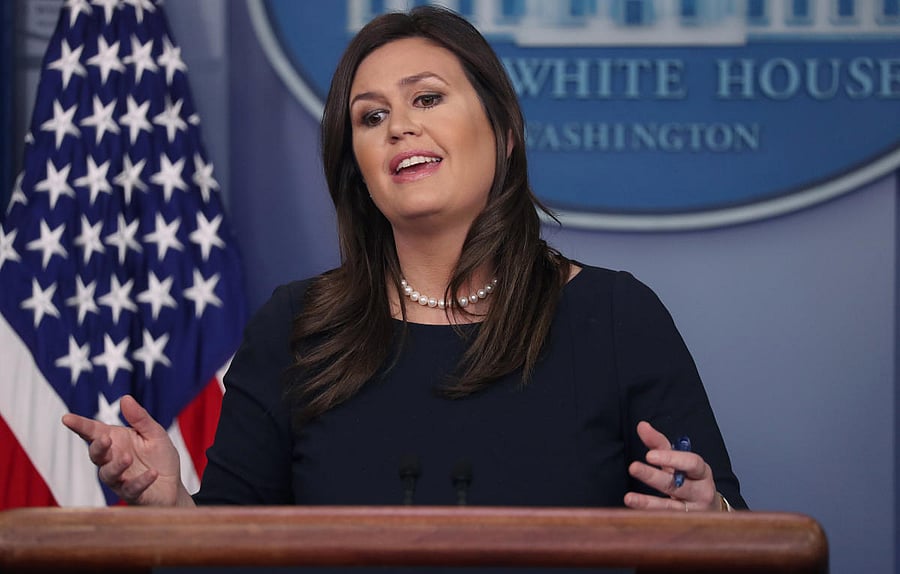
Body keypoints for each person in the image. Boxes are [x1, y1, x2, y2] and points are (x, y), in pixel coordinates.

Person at [63, 6, 746, 513]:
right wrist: (170, 508)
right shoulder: (295, 327)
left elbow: (733, 528)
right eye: (370, 116)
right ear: (356, 166)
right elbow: (234, 548)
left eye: (426, 98)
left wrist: (706, 516)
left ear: (504, 133)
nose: (399, 126)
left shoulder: (616, 316)